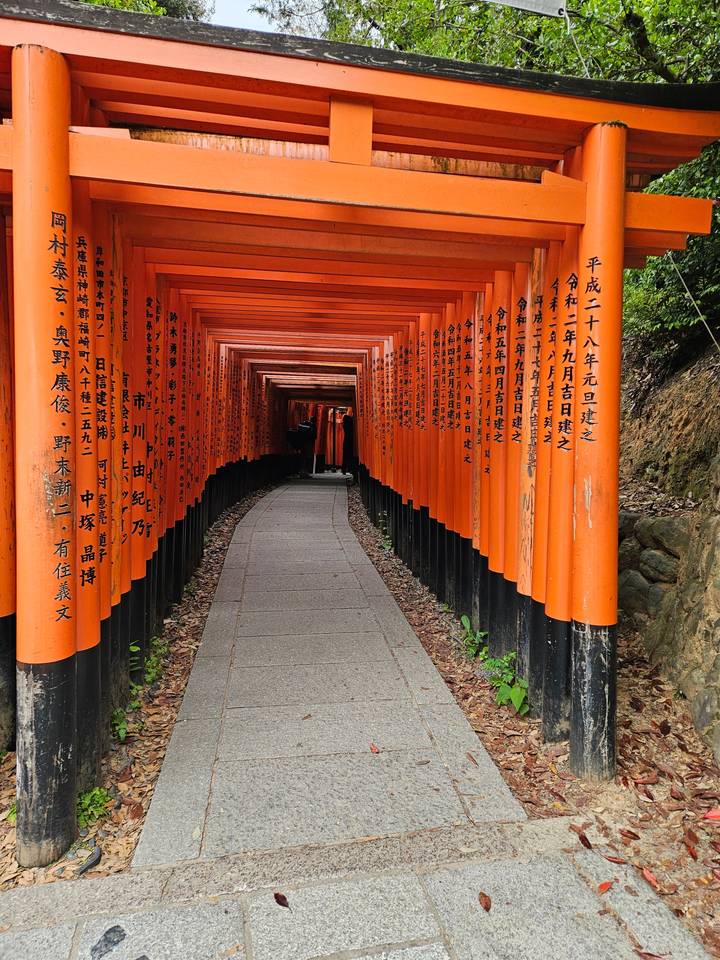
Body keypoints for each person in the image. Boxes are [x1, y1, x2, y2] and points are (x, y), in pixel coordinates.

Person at [341, 413, 355, 480]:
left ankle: (344, 469)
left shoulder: (345, 425)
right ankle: (350, 469)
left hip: (346, 441)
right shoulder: (350, 425)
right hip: (350, 441)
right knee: (350, 456)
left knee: (345, 456)